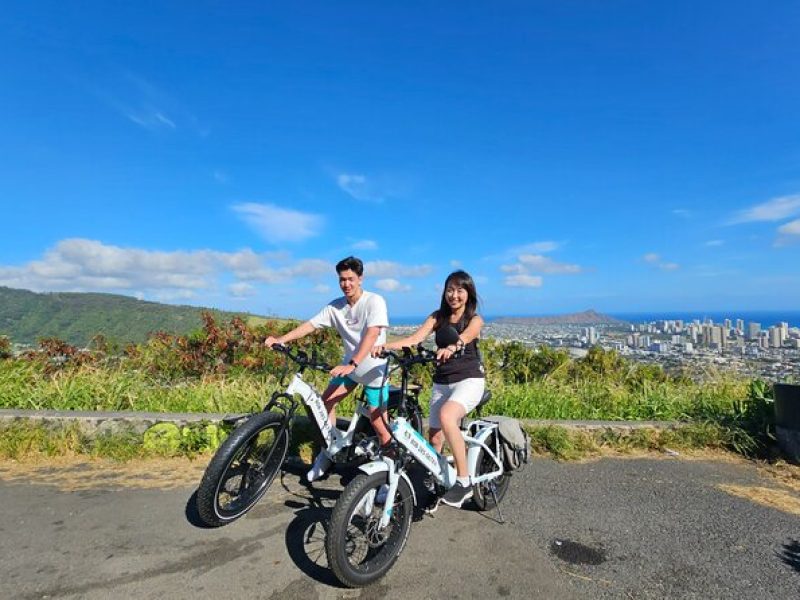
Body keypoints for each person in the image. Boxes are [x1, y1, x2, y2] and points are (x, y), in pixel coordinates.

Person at [264, 256, 392, 482]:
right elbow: (310, 325)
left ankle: (389, 474)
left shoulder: (374, 301)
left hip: (374, 373)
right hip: (350, 371)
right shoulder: (336, 307)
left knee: (380, 426)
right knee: (325, 404)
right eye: (342, 280)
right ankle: (328, 453)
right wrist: (281, 339)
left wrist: (352, 362)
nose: (346, 284)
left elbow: (372, 334)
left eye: (351, 279)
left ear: (360, 279)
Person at [372, 270, 485, 508]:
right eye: (450, 290)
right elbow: (415, 339)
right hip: (442, 382)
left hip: (469, 380)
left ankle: (464, 482)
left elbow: (465, 337)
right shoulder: (437, 317)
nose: (454, 295)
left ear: (469, 293)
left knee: (447, 416)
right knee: (434, 439)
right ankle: (440, 482)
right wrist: (385, 346)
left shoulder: (475, 319)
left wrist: (453, 348)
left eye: (460, 290)